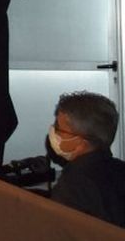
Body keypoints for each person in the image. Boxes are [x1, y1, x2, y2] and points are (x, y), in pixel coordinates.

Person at [47, 92, 125, 229]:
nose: (53, 132)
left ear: (81, 142)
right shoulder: (120, 169)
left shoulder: (73, 184)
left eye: (59, 129)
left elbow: (59, 233)